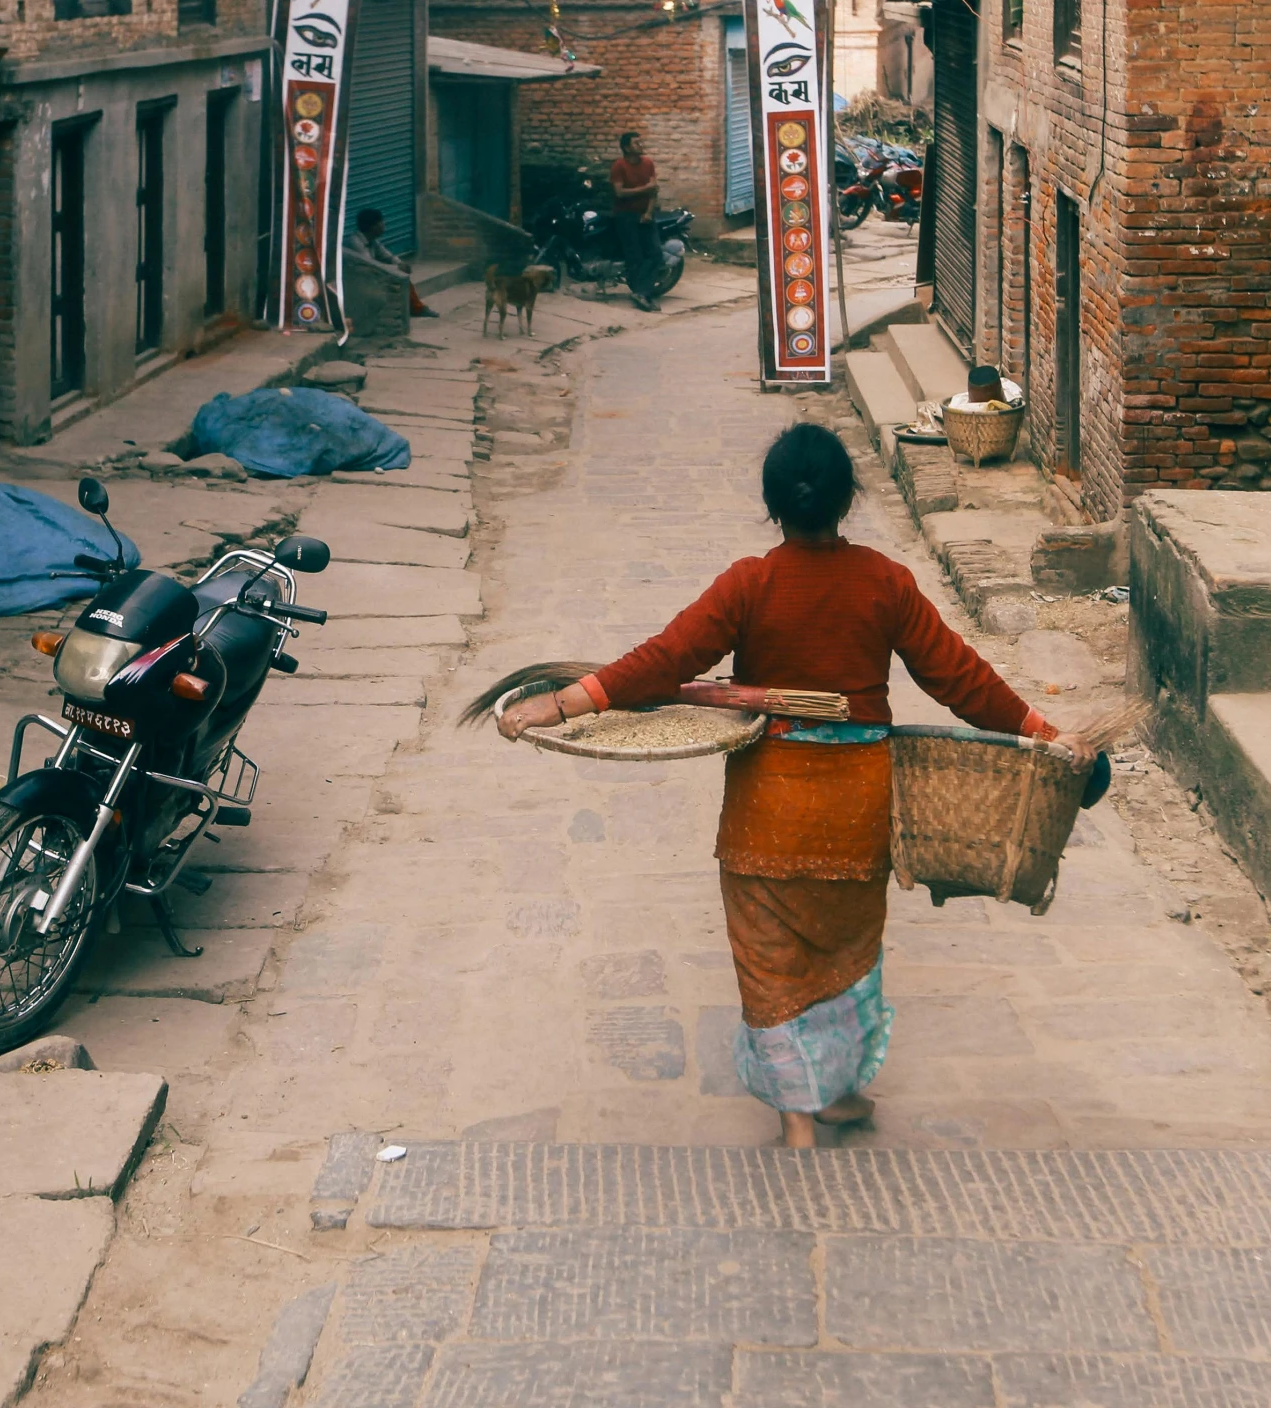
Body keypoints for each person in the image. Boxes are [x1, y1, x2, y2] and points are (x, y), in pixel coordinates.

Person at [499, 423, 1092, 1148]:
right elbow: (958, 678)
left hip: (768, 808)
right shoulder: (885, 582)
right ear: (846, 500)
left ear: (773, 505)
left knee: (770, 958)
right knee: (846, 956)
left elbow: (662, 662)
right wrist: (1045, 732)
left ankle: (796, 1114)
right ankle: (837, 1091)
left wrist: (557, 703)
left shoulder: (751, 584)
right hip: (858, 807)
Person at [347, 208, 437, 318]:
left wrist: (400, 264)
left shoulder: (372, 240)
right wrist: (395, 269)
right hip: (357, 281)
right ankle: (416, 308)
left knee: (403, 277)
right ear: (372, 226)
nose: (384, 225)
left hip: (369, 276)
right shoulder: (356, 242)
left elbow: (387, 256)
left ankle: (416, 307)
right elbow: (370, 265)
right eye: (381, 222)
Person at [609, 132, 662, 312]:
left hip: (645, 214)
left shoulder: (648, 163)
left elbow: (654, 190)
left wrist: (648, 212)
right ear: (626, 148)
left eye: (640, 141)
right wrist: (644, 188)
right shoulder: (619, 166)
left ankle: (642, 293)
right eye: (636, 143)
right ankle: (643, 294)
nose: (640, 145)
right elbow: (619, 193)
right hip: (625, 215)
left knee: (655, 254)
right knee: (635, 257)